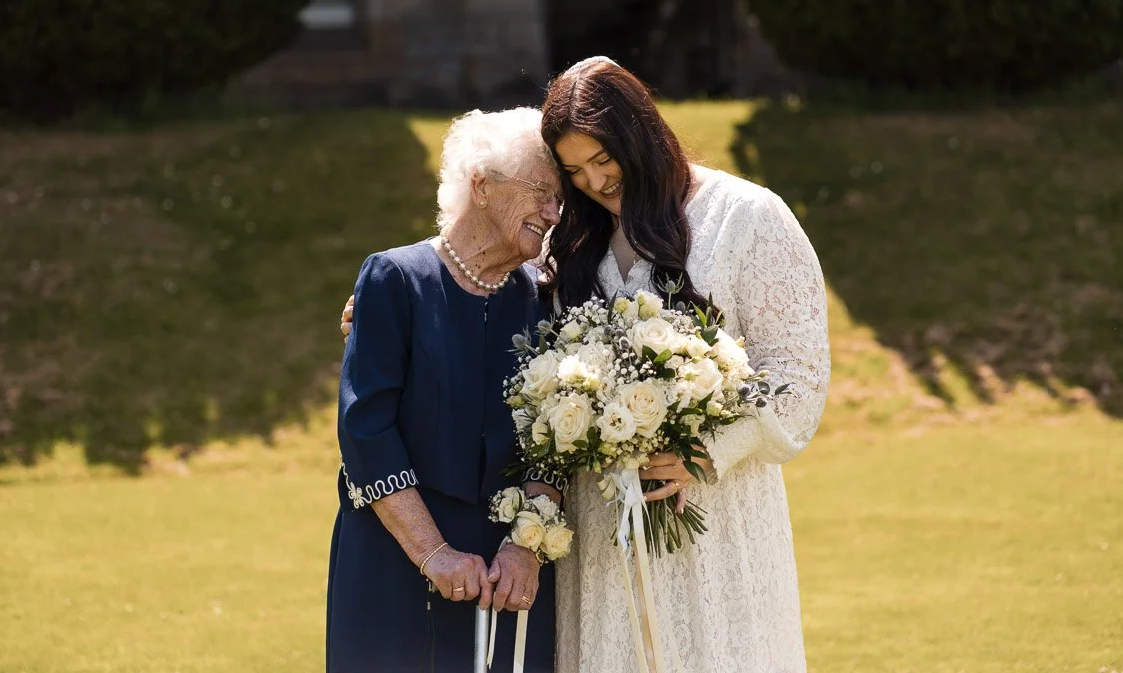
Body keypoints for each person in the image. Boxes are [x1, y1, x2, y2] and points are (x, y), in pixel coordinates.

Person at [540, 57, 830, 673]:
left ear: (638, 135)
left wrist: (704, 453)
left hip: (716, 520)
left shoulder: (745, 217)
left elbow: (799, 376)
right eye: (574, 172)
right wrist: (389, 306)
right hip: (601, 524)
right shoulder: (572, 242)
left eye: (602, 160)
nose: (593, 182)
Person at [327, 107, 565, 673]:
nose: (553, 213)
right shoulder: (394, 279)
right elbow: (366, 430)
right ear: (481, 185)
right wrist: (433, 554)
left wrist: (526, 548)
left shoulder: (548, 298)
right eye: (542, 192)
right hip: (393, 560)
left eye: (561, 200)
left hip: (508, 578)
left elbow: (559, 439)